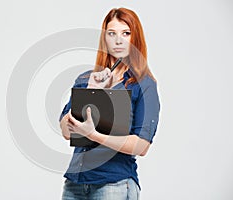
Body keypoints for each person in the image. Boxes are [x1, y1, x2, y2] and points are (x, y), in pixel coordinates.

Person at [59, 7, 160, 200]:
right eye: (111, 33)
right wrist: (90, 90)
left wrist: (93, 135)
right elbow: (66, 130)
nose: (118, 40)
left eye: (126, 33)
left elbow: (141, 146)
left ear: (135, 38)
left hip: (114, 183)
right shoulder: (86, 79)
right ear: (104, 38)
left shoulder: (144, 85)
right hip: (75, 184)